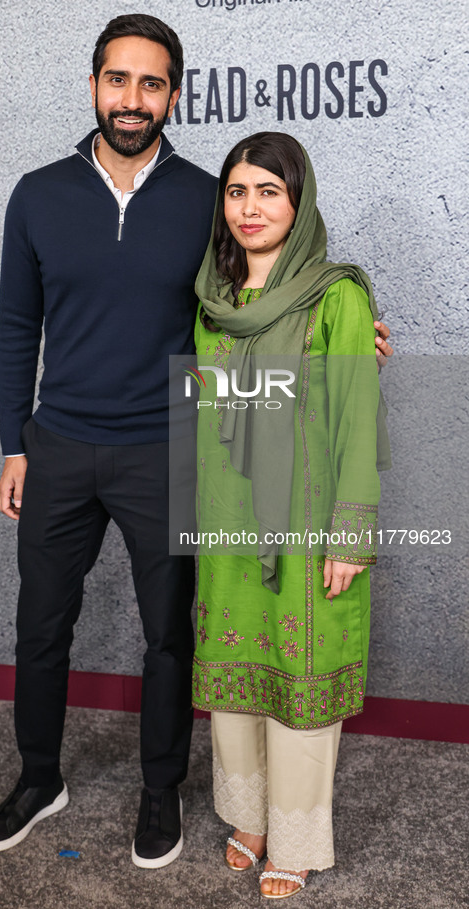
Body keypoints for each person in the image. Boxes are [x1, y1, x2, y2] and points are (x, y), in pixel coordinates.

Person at [0, 14, 393, 868]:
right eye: (118, 80)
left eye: (151, 83)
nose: (133, 99)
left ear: (173, 94)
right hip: (56, 446)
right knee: (39, 625)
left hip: (168, 453)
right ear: (92, 86)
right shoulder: (37, 194)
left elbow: (250, 299)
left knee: (171, 633)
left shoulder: (209, 197)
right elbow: (18, 326)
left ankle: (158, 790)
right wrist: (15, 443)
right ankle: (38, 775)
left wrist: (346, 334)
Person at [190, 131, 390, 898]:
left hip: (308, 526)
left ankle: (298, 837)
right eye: (236, 191)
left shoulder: (336, 295)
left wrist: (350, 534)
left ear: (297, 202)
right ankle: (249, 817)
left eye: (268, 192)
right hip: (226, 521)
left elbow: (355, 419)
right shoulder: (213, 297)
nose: (250, 208)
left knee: (299, 681)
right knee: (236, 683)